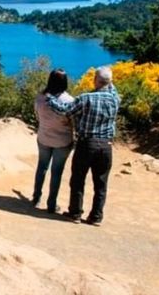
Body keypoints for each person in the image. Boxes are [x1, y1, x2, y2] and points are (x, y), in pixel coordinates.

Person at [47, 66, 120, 226]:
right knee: (101, 183)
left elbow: (64, 110)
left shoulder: (86, 98)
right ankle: (96, 217)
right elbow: (111, 86)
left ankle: (75, 213)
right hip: (106, 145)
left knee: (78, 179)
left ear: (95, 80)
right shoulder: (115, 99)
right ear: (109, 82)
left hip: (87, 143)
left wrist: (50, 99)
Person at [32, 69, 75, 213]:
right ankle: (51, 204)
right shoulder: (68, 100)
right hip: (62, 141)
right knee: (56, 172)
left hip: (44, 137)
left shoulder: (40, 97)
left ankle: (36, 198)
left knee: (42, 167)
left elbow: (37, 115)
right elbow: (73, 121)